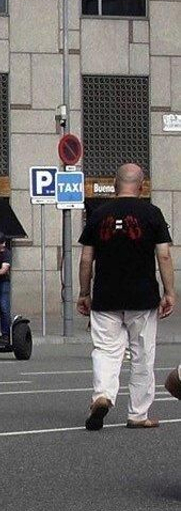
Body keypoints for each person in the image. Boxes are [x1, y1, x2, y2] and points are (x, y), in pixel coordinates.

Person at [77, 163, 175, 432]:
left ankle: (102, 395)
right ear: (142, 186)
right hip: (142, 297)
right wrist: (169, 292)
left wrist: (84, 293)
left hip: (105, 296)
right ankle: (138, 414)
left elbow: (86, 258)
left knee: (106, 351)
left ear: (114, 184)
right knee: (143, 356)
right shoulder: (152, 214)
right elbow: (163, 255)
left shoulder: (97, 214)